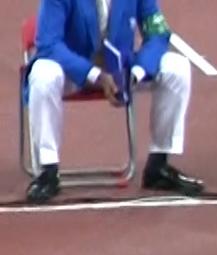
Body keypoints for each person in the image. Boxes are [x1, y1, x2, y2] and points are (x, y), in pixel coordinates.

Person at [25, 0, 203, 204]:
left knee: (177, 67)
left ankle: (158, 165)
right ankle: (47, 171)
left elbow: (158, 34)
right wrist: (94, 75)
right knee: (43, 74)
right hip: (72, 71)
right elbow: (48, 44)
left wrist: (136, 74)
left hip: (120, 70)